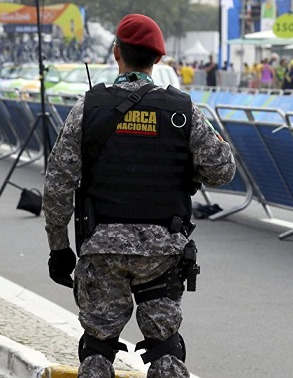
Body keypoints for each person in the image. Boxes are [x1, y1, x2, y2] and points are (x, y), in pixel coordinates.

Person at [43, 13, 236, 378]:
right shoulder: (183, 112)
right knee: (166, 350)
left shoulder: (88, 109)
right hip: (163, 253)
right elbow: (223, 170)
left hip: (102, 250)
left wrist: (58, 247)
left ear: (117, 52)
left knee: (97, 350)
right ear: (158, 59)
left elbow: (57, 184)